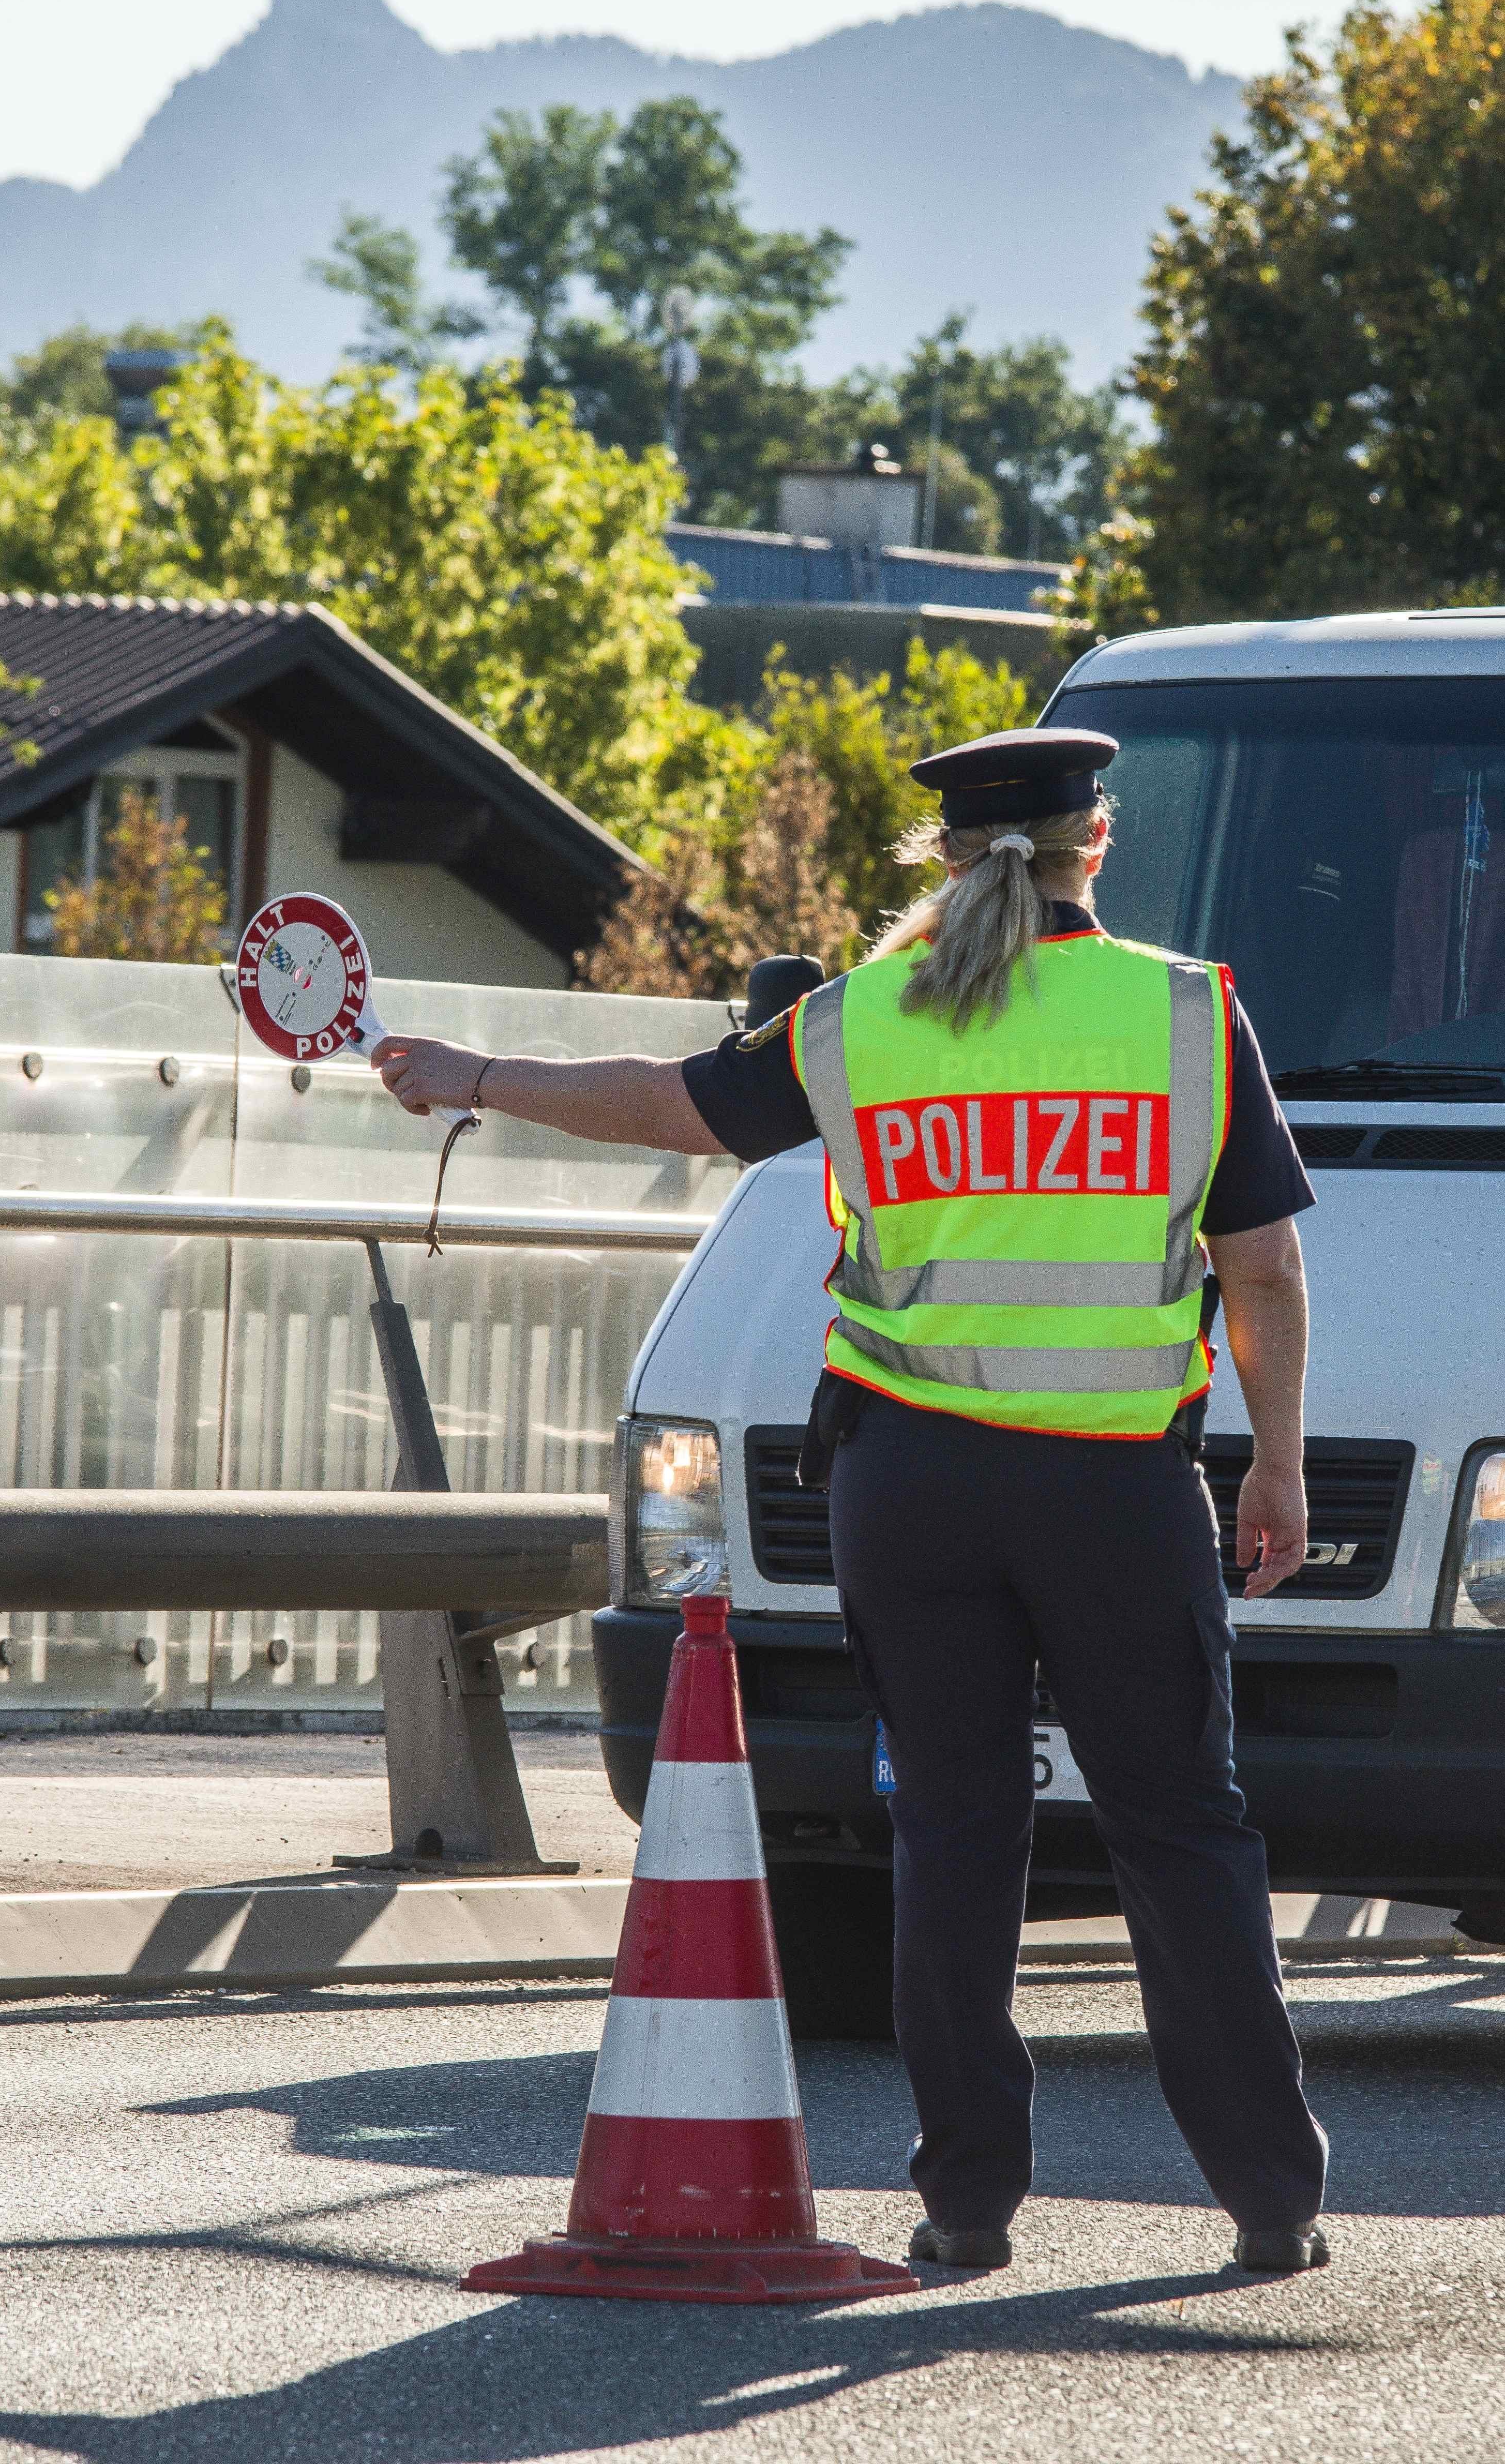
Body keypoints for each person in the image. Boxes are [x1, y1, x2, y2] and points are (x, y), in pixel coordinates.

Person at [370, 723, 1334, 2278]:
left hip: (911, 1488)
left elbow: (672, 1102)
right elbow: (1264, 1265)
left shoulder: (861, 1018)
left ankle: (965, 2199)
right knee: (1179, 1830)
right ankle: (1266, 2194)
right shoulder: (1180, 1011)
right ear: (1099, 844)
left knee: (954, 1830)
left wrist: (470, 1074)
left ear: (945, 859)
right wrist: (1276, 1460)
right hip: (1111, 1490)